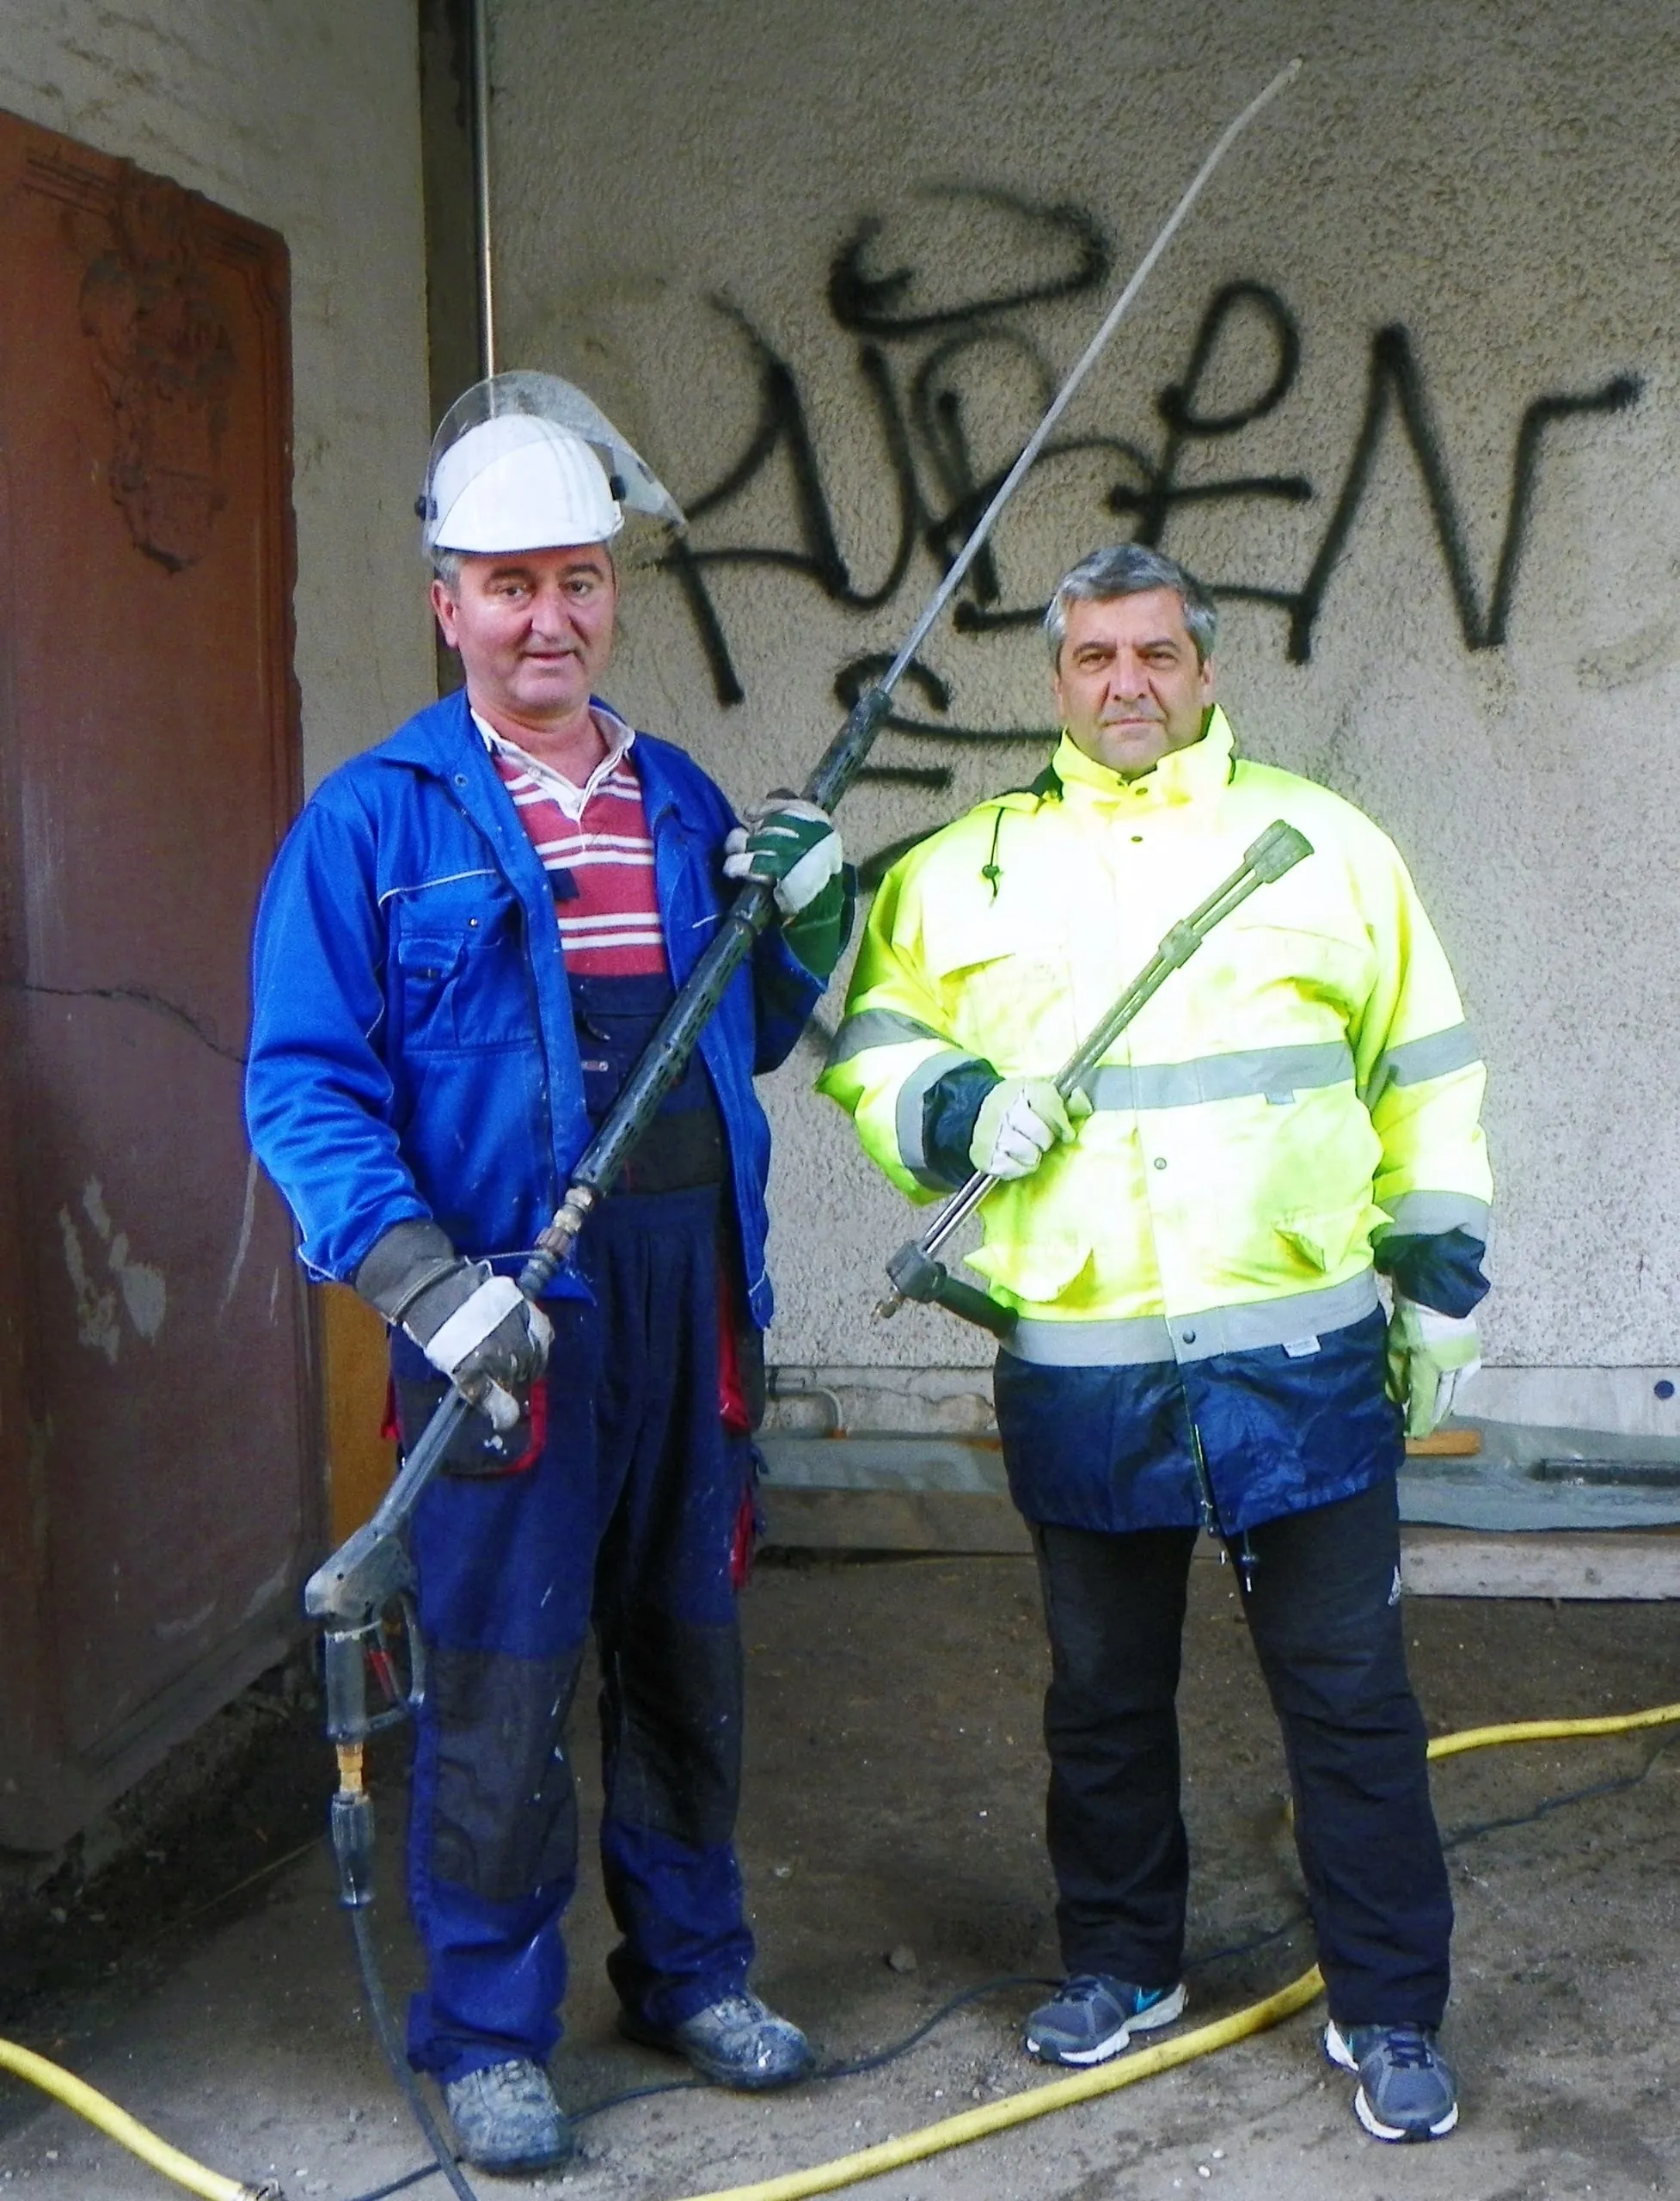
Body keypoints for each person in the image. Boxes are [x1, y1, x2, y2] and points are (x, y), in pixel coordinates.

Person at [246, 374, 849, 2175]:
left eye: (577, 579)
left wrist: (804, 911)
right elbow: (302, 1082)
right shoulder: (373, 824)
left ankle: (687, 1966)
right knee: (504, 1673)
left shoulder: (675, 798)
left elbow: (741, 1035)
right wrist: (425, 1280)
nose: (546, 618)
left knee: (685, 1644)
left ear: (609, 592)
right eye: (506, 584)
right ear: (446, 603)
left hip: (683, 1291)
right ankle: (487, 2026)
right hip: (497, 1309)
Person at [819, 543, 1490, 2145]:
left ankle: (1389, 2010)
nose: (1126, 685)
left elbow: (1427, 1066)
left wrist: (1442, 1283)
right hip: (1088, 1362)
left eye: (1154, 656)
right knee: (1102, 1698)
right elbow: (874, 1051)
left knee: (1347, 1698)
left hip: (1306, 1361)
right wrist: (963, 1105)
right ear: (1054, 681)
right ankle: (1121, 1966)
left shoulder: (1320, 848)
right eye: (1094, 660)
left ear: (1205, 669)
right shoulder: (966, 869)